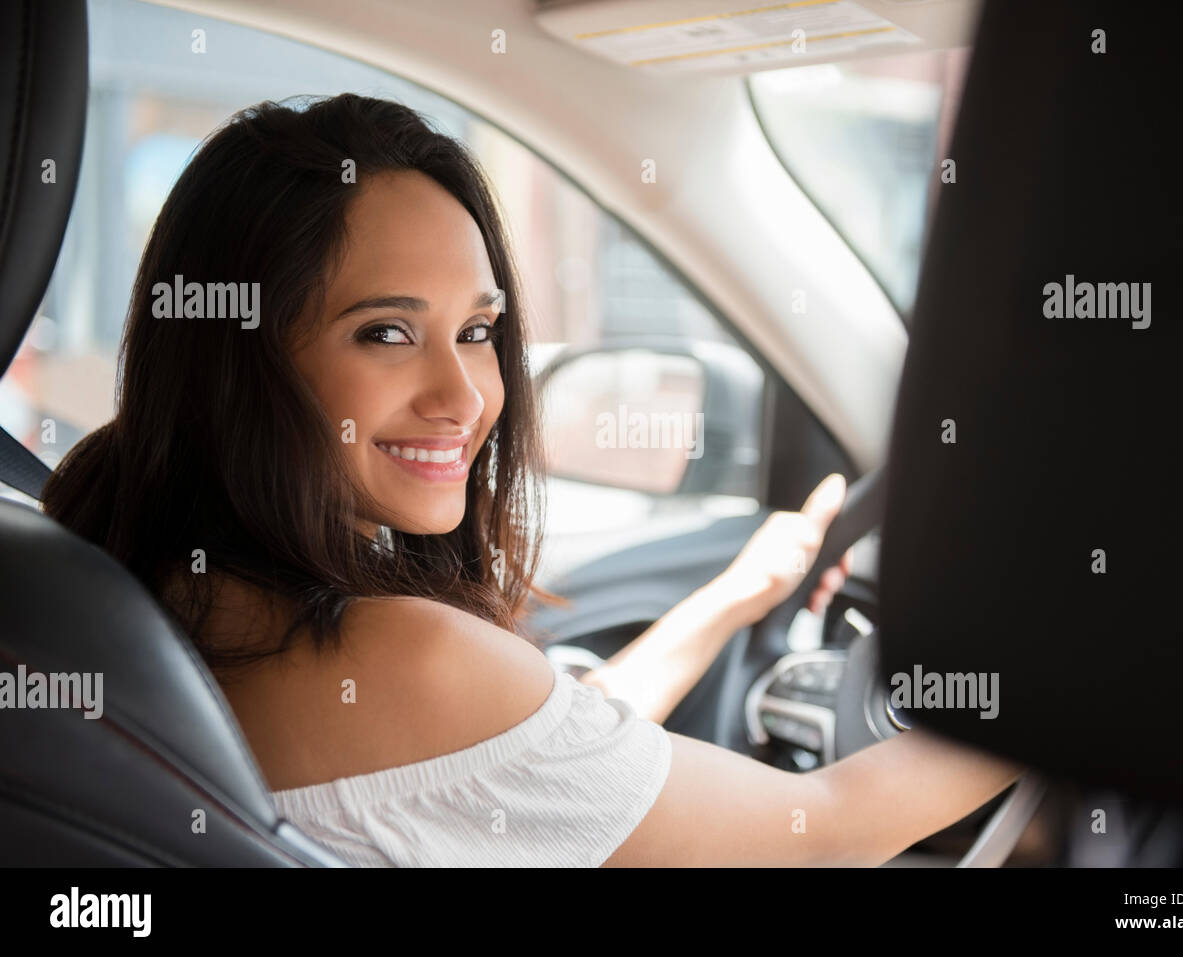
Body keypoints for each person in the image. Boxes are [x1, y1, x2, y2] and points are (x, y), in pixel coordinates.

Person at [41, 94, 1023, 867]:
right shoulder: (397, 657)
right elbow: (830, 828)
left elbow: (532, 762)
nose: (463, 394)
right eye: (386, 333)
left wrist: (734, 599)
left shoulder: (125, 585)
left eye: (476, 331)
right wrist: (1072, 695)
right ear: (239, 361)